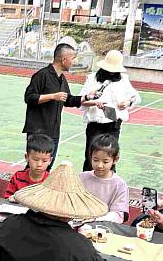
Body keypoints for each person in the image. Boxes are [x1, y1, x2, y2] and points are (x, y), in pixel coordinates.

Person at [22, 37, 104, 170]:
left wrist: (88, 97)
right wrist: (53, 96)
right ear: (64, 59)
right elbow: (29, 98)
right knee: (35, 166)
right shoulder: (42, 75)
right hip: (38, 130)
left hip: (53, 131)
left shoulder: (62, 79)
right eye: (72, 58)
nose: (74, 61)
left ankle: (39, 190)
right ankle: (23, 188)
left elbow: (69, 100)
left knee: (46, 167)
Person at [79, 50, 140, 172]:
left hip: (114, 125)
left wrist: (128, 102)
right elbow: (81, 100)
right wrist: (95, 102)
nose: (112, 72)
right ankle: (87, 185)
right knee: (92, 157)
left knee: (109, 158)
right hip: (95, 125)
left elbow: (136, 97)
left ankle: (109, 185)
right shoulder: (92, 79)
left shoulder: (123, 80)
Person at [78, 134, 130, 223]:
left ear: (115, 159)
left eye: (105, 161)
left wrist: (96, 219)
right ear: (90, 157)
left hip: (104, 227)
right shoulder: (81, 177)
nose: (99, 165)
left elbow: (118, 215)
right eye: (95, 160)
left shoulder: (119, 184)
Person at [4, 133, 53, 199]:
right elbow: (7, 198)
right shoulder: (17, 177)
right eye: (35, 159)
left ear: (50, 160)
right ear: (27, 157)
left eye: (44, 161)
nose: (39, 164)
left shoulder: (51, 181)